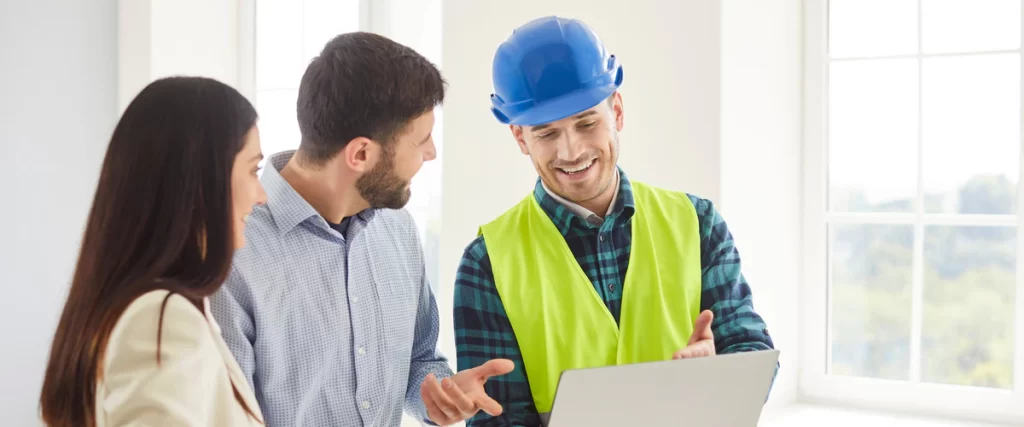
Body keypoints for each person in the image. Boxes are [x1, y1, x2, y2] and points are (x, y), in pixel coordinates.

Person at [453, 16, 779, 426]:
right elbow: (497, 419)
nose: (571, 151)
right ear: (520, 138)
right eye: (547, 134)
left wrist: (716, 376)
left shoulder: (698, 224)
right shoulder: (487, 263)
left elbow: (754, 356)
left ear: (617, 111)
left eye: (586, 123)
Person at [210, 31, 512, 427]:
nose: (430, 153)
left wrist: (440, 393)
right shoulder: (232, 254)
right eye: (420, 141)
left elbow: (419, 360)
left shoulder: (398, 230)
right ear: (361, 154)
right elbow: (223, 415)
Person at [38, 76, 268, 427]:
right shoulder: (161, 317)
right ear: (202, 180)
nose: (261, 195)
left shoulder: (150, 308)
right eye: (253, 170)